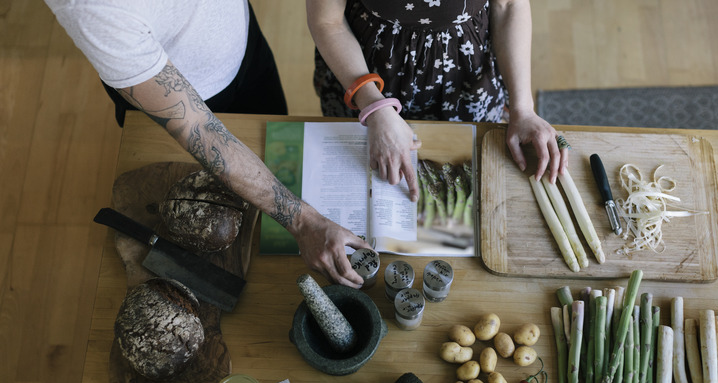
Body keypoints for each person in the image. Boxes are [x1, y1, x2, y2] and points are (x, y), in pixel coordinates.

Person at [46, 0, 371, 287]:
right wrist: (304, 222)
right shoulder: (91, 8)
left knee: (269, 159)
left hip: (245, 46)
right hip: (190, 105)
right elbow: (201, 128)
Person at [307, 0, 568, 202]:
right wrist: (374, 107)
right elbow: (328, 22)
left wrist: (522, 109)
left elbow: (509, 4)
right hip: (368, 72)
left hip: (467, 75)